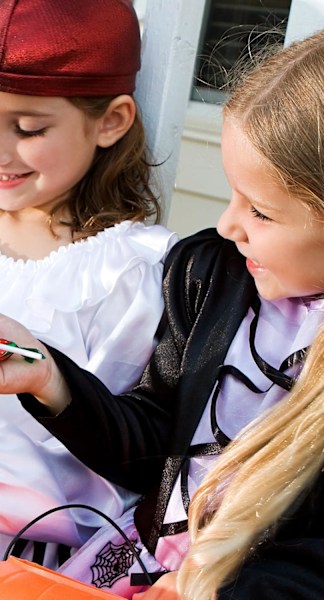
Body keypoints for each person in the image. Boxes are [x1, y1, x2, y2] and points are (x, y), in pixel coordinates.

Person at [0, 1, 324, 598]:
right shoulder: (212, 277)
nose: (227, 226)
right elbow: (154, 456)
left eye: (260, 211)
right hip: (127, 573)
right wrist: (50, 379)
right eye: (233, 196)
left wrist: (232, 588)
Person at [0, 0, 177, 570]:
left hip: (42, 555)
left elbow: (124, 446)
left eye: (28, 129)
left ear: (111, 120)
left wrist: (41, 374)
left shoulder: (128, 272)